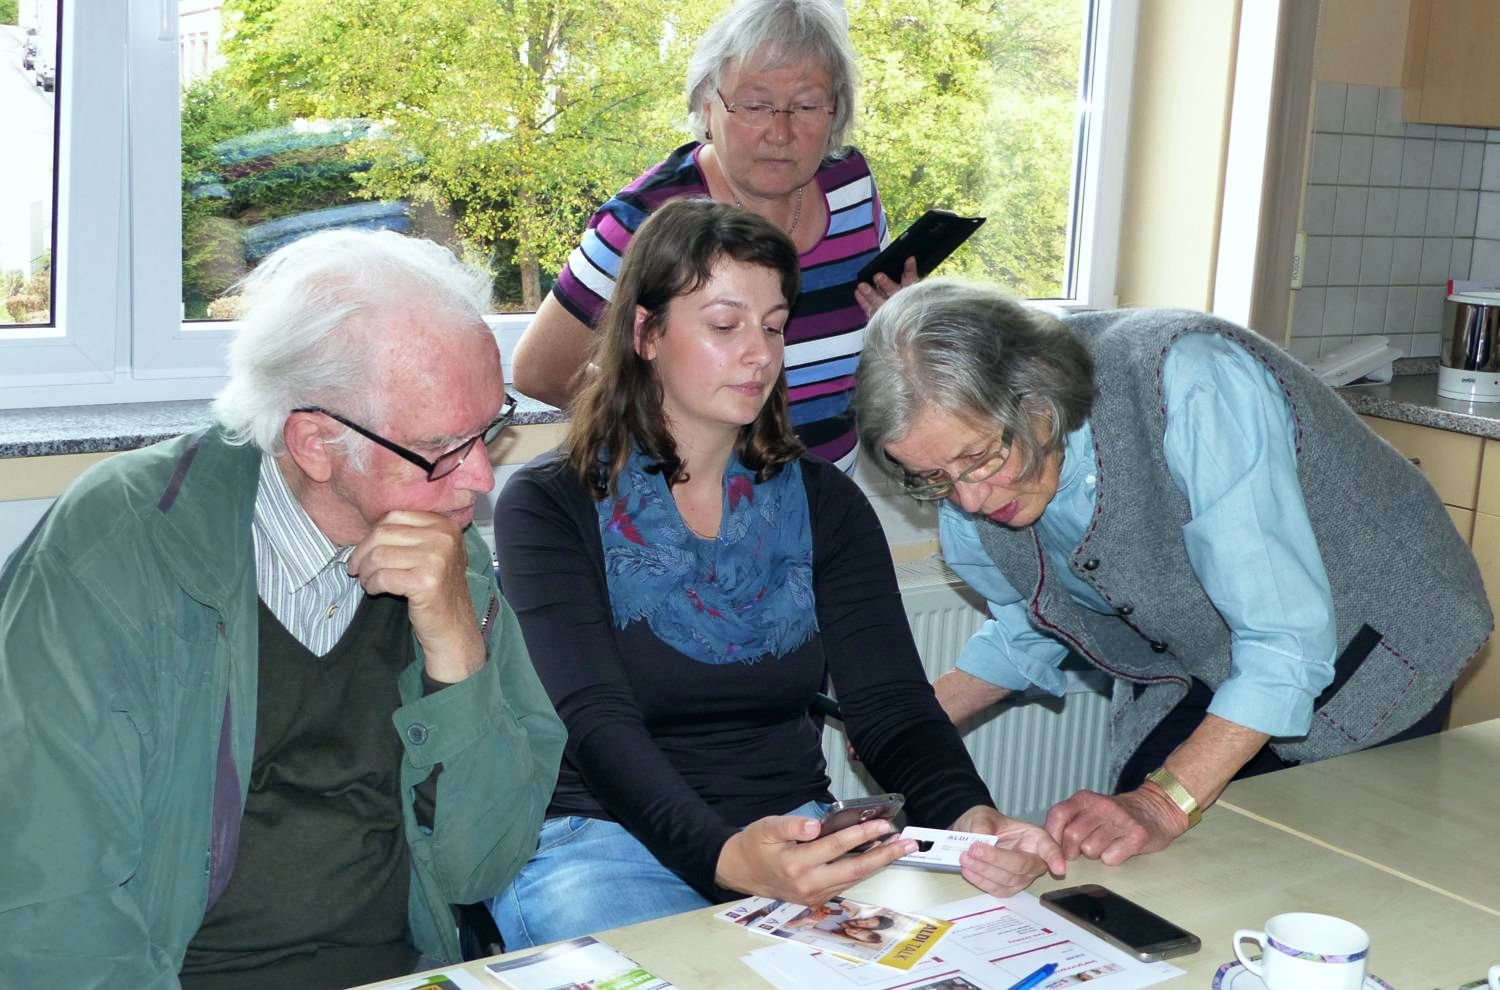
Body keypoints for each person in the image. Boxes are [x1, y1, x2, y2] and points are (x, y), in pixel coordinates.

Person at [488, 199, 1064, 949]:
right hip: (599, 841)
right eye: (725, 325)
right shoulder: (549, 504)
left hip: (792, 838)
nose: (760, 354)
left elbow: (889, 705)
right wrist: (726, 859)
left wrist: (969, 817)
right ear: (646, 333)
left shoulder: (826, 502)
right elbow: (596, 725)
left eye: (773, 325)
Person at [0, 230, 567, 989]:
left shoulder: (448, 556)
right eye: (442, 447)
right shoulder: (117, 550)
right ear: (315, 443)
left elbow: (482, 865)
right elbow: (52, 909)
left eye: (489, 432)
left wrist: (458, 651)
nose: (476, 481)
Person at [854, 278, 1492, 868]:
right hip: (1201, 655)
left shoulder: (1189, 380)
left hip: (1375, 628)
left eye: (979, 457)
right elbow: (1039, 624)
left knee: (1328, 866)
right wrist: (914, 719)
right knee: (1145, 863)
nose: (968, 500)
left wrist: (1161, 804)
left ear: (1040, 397)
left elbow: (1284, 641)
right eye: (934, 477)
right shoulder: (966, 491)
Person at [509, 0, 914, 471]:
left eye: (805, 106)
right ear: (707, 102)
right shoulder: (647, 217)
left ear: (835, 111)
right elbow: (539, 371)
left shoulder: (851, 186)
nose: (780, 132)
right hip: (694, 513)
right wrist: (664, 428)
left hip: (827, 502)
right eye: (755, 105)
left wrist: (896, 320)